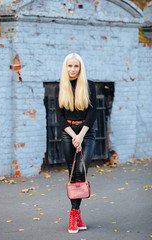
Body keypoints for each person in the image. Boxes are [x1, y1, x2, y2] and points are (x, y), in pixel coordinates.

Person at [55, 53, 96, 233]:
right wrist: (73, 135)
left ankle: (75, 213)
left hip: (87, 133)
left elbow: (92, 114)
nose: (72, 69)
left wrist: (80, 136)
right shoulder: (60, 88)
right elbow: (60, 117)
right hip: (68, 133)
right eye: (70, 66)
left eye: (76, 66)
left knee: (81, 170)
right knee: (72, 175)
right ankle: (75, 214)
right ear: (66, 67)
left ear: (80, 68)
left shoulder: (90, 86)